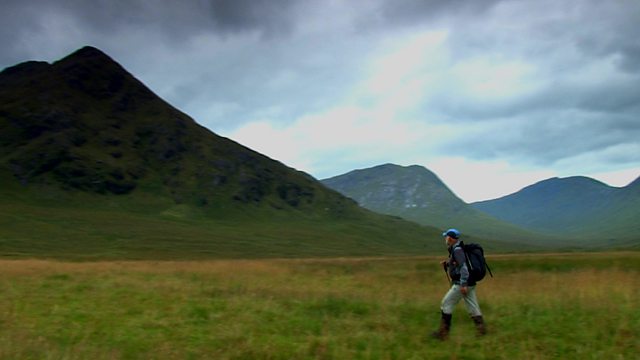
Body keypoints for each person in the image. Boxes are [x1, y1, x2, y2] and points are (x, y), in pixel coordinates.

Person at [431, 228, 487, 340]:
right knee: (473, 306)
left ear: (450, 239)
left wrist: (463, 284)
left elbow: (464, 268)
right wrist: (447, 264)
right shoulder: (457, 249)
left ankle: (443, 334)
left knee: (446, 304)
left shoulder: (457, 250)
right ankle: (482, 331)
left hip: (462, 283)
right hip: (470, 283)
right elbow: (458, 263)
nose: (445, 239)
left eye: (446, 237)